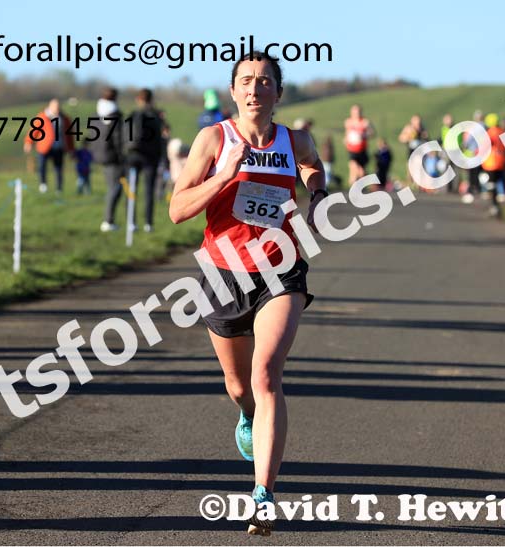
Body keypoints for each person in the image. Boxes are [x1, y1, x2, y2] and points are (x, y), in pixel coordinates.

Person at [169, 51, 325, 536]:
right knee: (240, 388)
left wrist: (316, 191)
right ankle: (246, 416)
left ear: (279, 92)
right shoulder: (214, 139)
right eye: (246, 81)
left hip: (282, 269)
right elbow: (178, 209)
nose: (255, 88)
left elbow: (313, 168)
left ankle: (263, 495)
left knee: (265, 373)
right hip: (223, 272)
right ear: (233, 91)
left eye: (265, 81)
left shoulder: (294, 138)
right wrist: (224, 173)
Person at [125, 88, 164, 233]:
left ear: (138, 99)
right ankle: (148, 223)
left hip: (133, 155)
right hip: (150, 157)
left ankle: (131, 222)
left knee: (131, 190)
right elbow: (159, 139)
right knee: (149, 191)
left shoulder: (133, 114)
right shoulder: (155, 116)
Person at [92, 88, 126, 232]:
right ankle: (108, 221)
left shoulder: (96, 114)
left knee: (111, 187)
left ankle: (109, 220)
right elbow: (118, 138)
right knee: (115, 189)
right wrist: (122, 156)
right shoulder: (115, 116)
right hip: (113, 157)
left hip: (100, 155)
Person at [23, 99, 74, 194]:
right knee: (42, 166)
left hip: (59, 147)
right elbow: (34, 130)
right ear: (50, 107)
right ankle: (43, 184)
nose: (57, 109)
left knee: (58, 168)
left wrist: (71, 149)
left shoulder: (65, 119)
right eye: (55, 107)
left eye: (58, 107)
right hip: (44, 147)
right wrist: (28, 142)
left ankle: (59, 189)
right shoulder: (42, 117)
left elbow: (69, 135)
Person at [481, 113, 505, 218]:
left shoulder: (488, 133)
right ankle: (501, 206)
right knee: (501, 183)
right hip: (502, 162)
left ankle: (494, 206)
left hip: (490, 164)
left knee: (491, 186)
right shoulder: (504, 132)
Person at [344, 105, 374, 186]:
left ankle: (361, 189)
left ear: (360, 112)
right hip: (352, 150)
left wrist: (364, 135)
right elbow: (347, 134)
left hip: (362, 150)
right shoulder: (348, 122)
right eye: (354, 112)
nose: (356, 114)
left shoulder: (365, 122)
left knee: (362, 173)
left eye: (357, 112)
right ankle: (351, 193)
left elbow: (372, 133)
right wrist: (346, 140)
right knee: (354, 169)